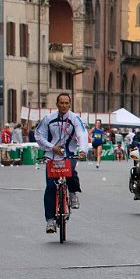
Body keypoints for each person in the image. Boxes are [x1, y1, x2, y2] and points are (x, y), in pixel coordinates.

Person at [35, 93, 89, 233]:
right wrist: (51, 147)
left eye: (66, 103)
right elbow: (38, 135)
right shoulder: (48, 119)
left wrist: (83, 150)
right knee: (50, 188)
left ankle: (73, 193)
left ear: (69, 105)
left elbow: (82, 134)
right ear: (57, 104)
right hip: (52, 155)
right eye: (61, 103)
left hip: (69, 154)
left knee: (71, 172)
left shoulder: (75, 119)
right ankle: (50, 221)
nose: (64, 105)